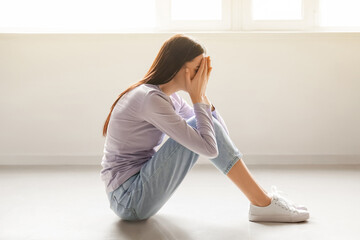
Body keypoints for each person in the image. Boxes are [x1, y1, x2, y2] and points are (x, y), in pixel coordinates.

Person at [100, 34, 310, 223]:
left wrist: (202, 96)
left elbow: (218, 133)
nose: (201, 75)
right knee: (197, 128)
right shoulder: (149, 99)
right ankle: (262, 203)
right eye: (198, 69)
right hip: (128, 199)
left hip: (136, 192)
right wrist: (197, 97)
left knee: (203, 126)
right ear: (181, 68)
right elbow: (210, 149)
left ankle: (264, 200)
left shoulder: (168, 98)